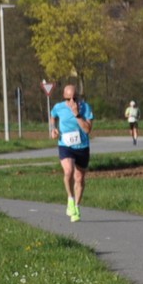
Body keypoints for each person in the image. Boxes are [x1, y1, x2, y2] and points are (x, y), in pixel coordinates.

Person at [49, 83, 93, 222]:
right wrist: (53, 129)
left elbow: (87, 129)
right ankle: (70, 198)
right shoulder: (59, 107)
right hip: (65, 145)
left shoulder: (85, 108)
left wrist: (77, 114)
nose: (72, 101)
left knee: (79, 178)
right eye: (68, 99)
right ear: (64, 97)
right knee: (68, 171)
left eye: (75, 98)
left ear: (78, 96)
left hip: (82, 147)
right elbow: (52, 116)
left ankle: (76, 207)